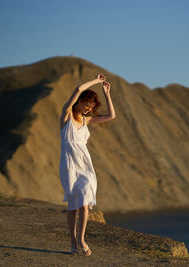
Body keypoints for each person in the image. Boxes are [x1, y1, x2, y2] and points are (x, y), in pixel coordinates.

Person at [59, 74, 116, 256]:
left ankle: (82, 239)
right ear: (81, 101)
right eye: (87, 105)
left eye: (91, 108)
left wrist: (106, 93)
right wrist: (97, 81)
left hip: (85, 166)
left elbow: (111, 116)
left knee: (84, 204)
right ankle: (73, 240)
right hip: (69, 166)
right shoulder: (66, 115)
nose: (88, 110)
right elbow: (78, 89)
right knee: (73, 206)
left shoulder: (87, 120)